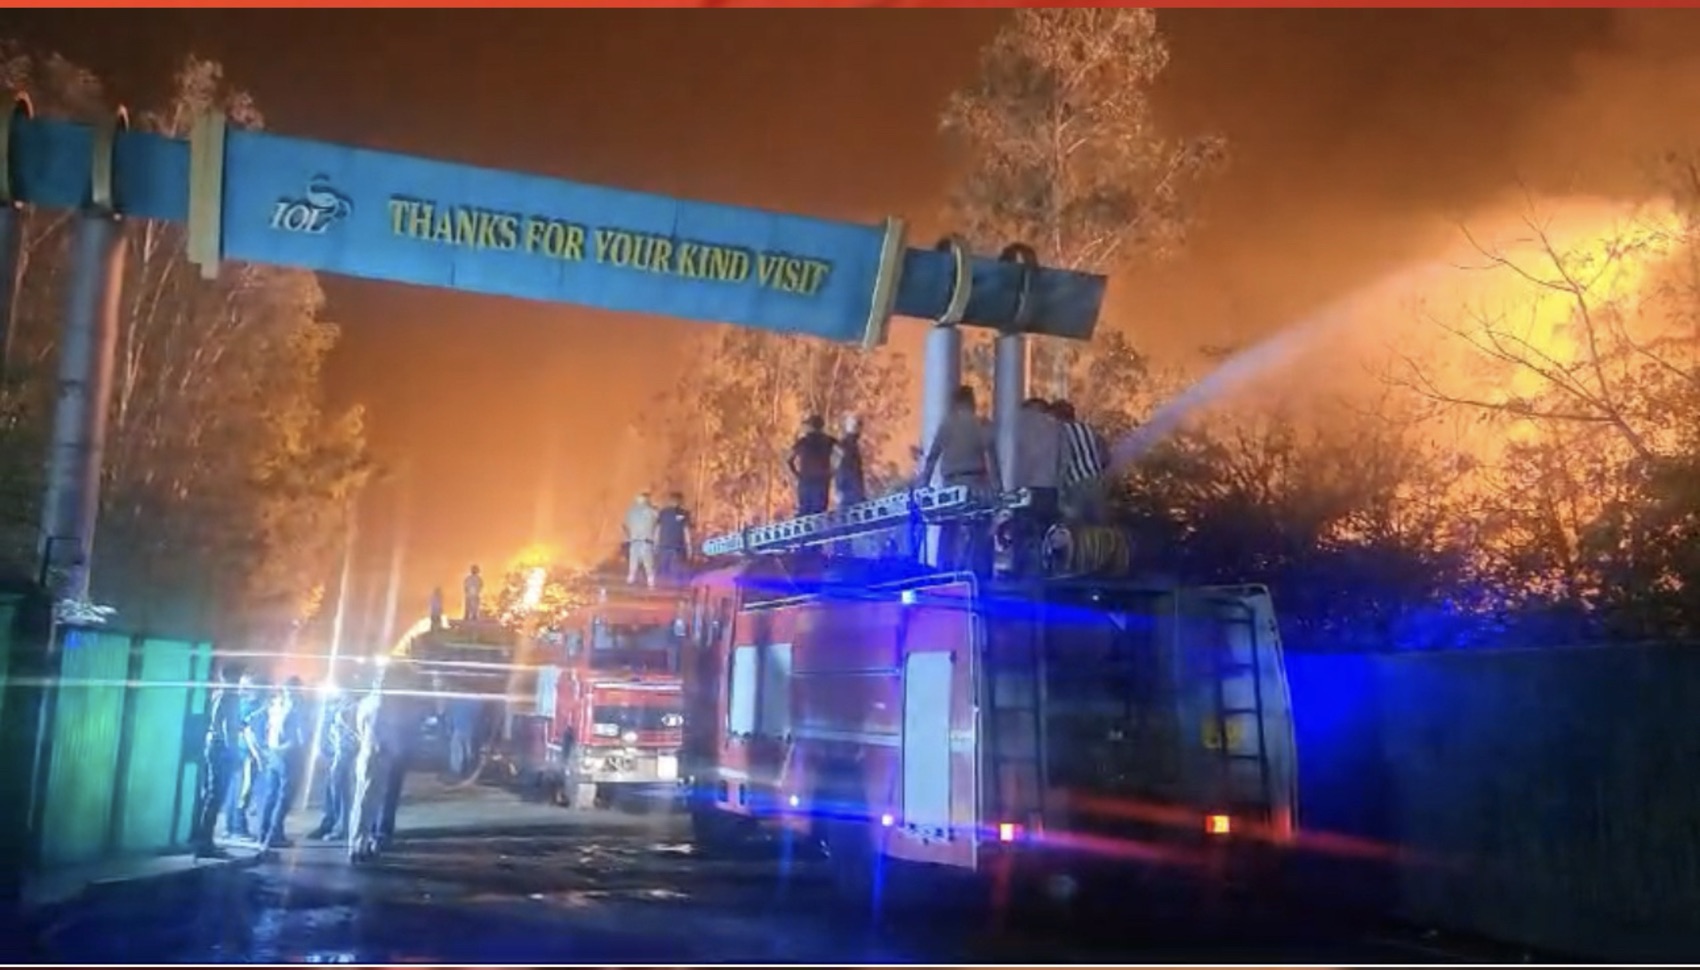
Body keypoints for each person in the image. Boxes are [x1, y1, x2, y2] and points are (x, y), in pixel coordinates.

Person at [918, 385, 1000, 569]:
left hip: (951, 485)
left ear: (955, 403)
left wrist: (923, 485)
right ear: (972, 402)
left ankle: (943, 572)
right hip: (976, 484)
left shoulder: (947, 425)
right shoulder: (980, 424)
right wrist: (998, 490)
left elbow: (932, 457)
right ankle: (980, 573)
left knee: (948, 531)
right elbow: (992, 459)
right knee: (980, 528)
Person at [191, 661, 245, 859]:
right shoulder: (230, 697)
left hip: (213, 747)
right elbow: (227, 728)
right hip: (222, 750)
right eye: (239, 677)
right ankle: (205, 843)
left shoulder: (218, 695)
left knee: (211, 795)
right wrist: (234, 753)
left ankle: (204, 840)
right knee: (216, 796)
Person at [252, 677, 309, 850]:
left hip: (273, 753)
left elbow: (263, 725)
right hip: (290, 754)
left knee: (271, 795)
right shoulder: (298, 708)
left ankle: (263, 834)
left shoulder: (276, 705)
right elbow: (301, 737)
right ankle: (274, 835)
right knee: (284, 797)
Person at [347, 670, 392, 864]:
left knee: (361, 801)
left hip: (365, 753)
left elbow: (358, 727)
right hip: (376, 756)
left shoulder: (366, 702)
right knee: (368, 804)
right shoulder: (381, 705)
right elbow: (379, 735)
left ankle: (357, 844)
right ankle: (359, 847)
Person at [307, 688, 359, 842]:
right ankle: (329, 822)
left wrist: (344, 753)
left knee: (342, 792)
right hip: (333, 753)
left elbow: (350, 735)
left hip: (345, 754)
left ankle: (342, 827)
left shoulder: (351, 710)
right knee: (330, 791)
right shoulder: (334, 707)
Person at [225, 674, 268, 841]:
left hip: (240, 753)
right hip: (246, 755)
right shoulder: (251, 707)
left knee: (236, 791)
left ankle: (231, 827)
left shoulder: (242, 704)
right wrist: (259, 756)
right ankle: (237, 828)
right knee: (243, 792)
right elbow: (250, 733)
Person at [1052, 400, 1109, 524]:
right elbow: (1105, 455)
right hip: (1097, 479)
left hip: (1074, 482)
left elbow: (1058, 460)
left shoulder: (1058, 432)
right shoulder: (1089, 429)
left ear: (1055, 415)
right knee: (1099, 522)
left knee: (1074, 522)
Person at [788, 416, 837, 516]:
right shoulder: (829, 441)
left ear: (810, 427)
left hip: (805, 481)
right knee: (819, 513)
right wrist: (833, 472)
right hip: (821, 481)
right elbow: (842, 454)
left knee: (804, 511)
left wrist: (797, 475)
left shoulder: (803, 442)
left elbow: (789, 459)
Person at [624, 491, 660, 588]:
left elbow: (625, 526)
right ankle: (650, 581)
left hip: (634, 541)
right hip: (646, 541)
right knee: (648, 563)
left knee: (633, 563)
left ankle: (631, 580)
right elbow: (657, 522)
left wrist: (628, 537)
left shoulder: (631, 511)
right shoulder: (651, 511)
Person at [655, 492, 692, 584]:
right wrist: (689, 547)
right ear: (680, 501)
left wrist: (655, 543)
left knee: (662, 571)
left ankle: (660, 588)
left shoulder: (663, 513)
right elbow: (686, 531)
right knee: (676, 574)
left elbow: (657, 529)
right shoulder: (683, 513)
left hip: (664, 544)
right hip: (677, 546)